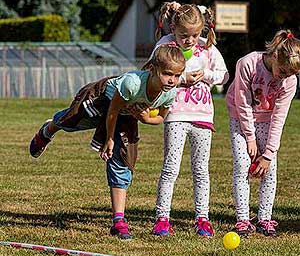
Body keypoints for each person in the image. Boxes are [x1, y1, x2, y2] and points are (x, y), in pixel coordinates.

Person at [29, 44, 186, 239]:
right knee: (70, 121)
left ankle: (118, 221)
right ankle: (49, 129)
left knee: (123, 160)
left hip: (126, 115)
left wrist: (145, 119)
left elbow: (161, 117)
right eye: (167, 74)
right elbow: (112, 110)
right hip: (103, 99)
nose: (172, 80)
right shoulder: (132, 83)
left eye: (177, 76)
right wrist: (109, 138)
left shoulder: (169, 92)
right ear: (153, 69)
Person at [151, 2, 229, 237]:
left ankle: (202, 218)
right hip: (176, 115)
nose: (190, 40)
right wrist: (182, 78)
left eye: (195, 35)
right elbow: (152, 71)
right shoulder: (165, 45)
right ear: (173, 28)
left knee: (201, 170)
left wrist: (205, 75)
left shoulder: (207, 47)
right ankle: (162, 217)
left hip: (203, 116)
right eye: (184, 35)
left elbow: (224, 75)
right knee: (171, 167)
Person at [226, 30, 300, 237]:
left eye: (291, 74)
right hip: (241, 117)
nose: (284, 77)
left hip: (267, 119)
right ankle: (243, 219)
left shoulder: (289, 82)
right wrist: (250, 138)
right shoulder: (247, 64)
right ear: (274, 56)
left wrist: (269, 154)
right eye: (283, 71)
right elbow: (243, 103)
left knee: (269, 170)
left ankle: (265, 218)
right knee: (242, 166)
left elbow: (279, 117)